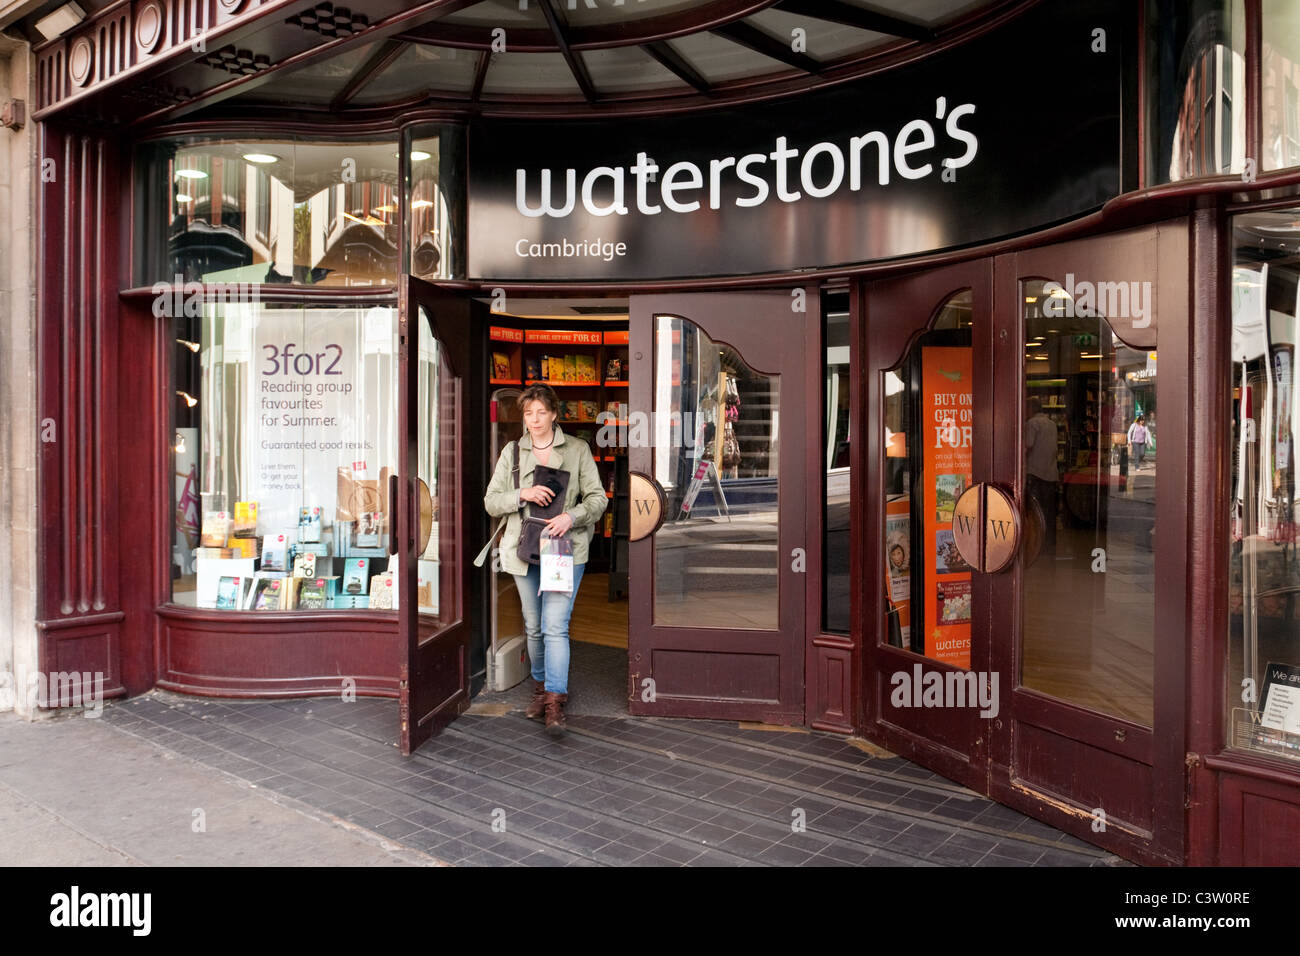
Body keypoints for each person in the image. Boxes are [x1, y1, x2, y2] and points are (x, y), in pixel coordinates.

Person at [483, 384, 607, 736]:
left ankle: (555, 701)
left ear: (554, 414)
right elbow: (491, 502)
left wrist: (572, 516)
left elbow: (599, 499)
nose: (534, 420)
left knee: (555, 625)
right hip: (523, 550)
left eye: (541, 412)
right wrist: (522, 493)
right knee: (533, 626)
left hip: (563, 551)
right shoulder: (513, 452)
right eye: (528, 413)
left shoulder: (578, 449)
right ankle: (540, 688)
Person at [1024, 396, 1059, 553]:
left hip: (1035, 473)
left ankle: (1036, 544)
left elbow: (1028, 445)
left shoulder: (1032, 423)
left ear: (1031, 409)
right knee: (1049, 511)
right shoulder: (1052, 424)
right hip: (1051, 474)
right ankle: (1049, 542)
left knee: (1035, 511)